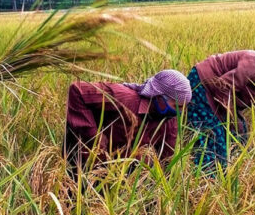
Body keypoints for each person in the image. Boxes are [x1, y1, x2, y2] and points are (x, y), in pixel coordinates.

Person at [63, 70, 191, 177]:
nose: (180, 112)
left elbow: (166, 158)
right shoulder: (123, 98)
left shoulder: (169, 120)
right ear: (159, 97)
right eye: (178, 106)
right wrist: (95, 139)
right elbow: (77, 90)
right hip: (85, 162)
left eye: (184, 107)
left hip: (121, 172)